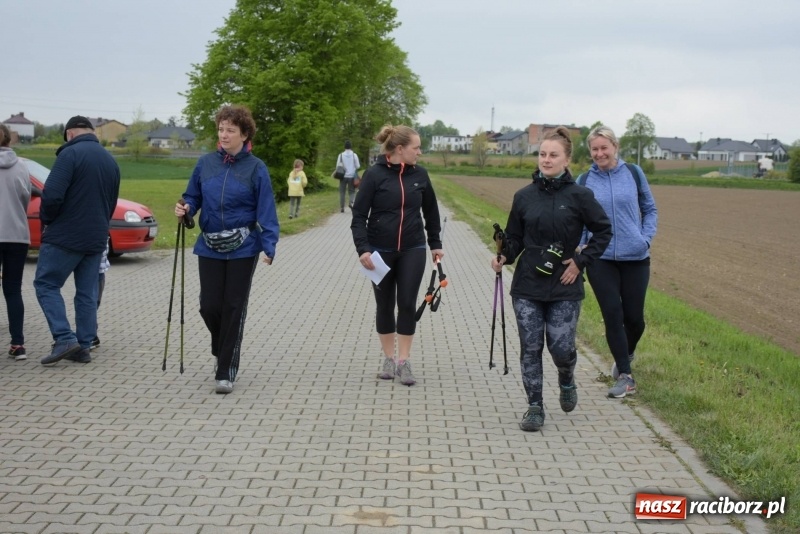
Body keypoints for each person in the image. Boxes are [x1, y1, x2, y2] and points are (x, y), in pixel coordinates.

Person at [492, 126, 612, 432]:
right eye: (542, 154)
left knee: (560, 348)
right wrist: (504, 255)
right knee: (531, 347)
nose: (546, 160)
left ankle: (566, 376)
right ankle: (535, 406)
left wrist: (581, 261)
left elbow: (603, 231)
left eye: (553, 155)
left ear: (567, 159)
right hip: (527, 285)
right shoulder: (523, 197)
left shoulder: (580, 196)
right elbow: (515, 238)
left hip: (565, 284)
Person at [174, 104, 279, 395]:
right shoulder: (205, 163)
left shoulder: (256, 168)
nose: (224, 134)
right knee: (209, 305)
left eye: (230, 130)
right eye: (221, 128)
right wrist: (185, 208)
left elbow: (266, 209)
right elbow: (192, 196)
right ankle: (223, 346)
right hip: (209, 245)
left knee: (234, 306)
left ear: (244, 135)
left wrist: (269, 244)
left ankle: (226, 369)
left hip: (244, 246)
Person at [351, 125, 443, 386]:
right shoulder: (374, 175)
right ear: (400, 149)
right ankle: (388, 359)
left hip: (413, 248)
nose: (420, 152)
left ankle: (404, 362)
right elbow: (358, 217)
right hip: (379, 253)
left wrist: (435, 244)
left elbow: (432, 213)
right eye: (416, 148)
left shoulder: (421, 175)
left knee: (406, 303)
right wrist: (363, 249)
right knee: (384, 305)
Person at [579, 125, 658, 399]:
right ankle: (626, 377)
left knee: (635, 320)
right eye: (595, 149)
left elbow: (649, 209)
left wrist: (644, 239)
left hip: (636, 257)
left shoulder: (634, 173)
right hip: (600, 259)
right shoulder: (584, 180)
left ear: (615, 147)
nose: (599, 153)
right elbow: (579, 219)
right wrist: (581, 246)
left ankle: (626, 352)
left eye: (604, 147)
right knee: (612, 314)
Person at [35, 116, 120, 365]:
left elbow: (51, 196)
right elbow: (111, 202)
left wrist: (48, 221)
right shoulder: (110, 161)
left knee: (46, 284)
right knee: (86, 292)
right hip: (96, 238)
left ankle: (64, 338)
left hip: (65, 236)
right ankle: (83, 346)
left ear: (69, 134)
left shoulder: (68, 156)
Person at [0, 123, 31, 361]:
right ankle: (17, 344)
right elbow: (25, 197)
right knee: (13, 290)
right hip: (17, 236)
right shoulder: (21, 166)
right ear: (9, 140)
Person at [337, 140, 360, 212]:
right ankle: (351, 202)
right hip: (352, 176)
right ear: (351, 147)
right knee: (352, 191)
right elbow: (358, 166)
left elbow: (338, 166)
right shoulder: (354, 155)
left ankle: (342, 207)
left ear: (344, 147)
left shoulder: (340, 155)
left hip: (343, 176)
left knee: (342, 192)